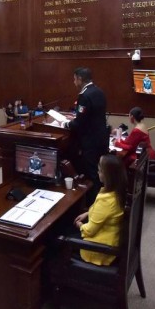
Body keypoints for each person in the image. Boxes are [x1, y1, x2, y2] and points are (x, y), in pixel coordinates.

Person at [64, 67, 108, 206]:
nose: (74, 82)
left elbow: (80, 123)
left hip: (90, 142)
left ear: (80, 79)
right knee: (100, 172)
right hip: (102, 138)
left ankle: (93, 205)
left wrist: (66, 124)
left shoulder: (84, 95)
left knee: (92, 173)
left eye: (74, 79)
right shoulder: (99, 91)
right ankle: (102, 200)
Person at [72, 154, 126, 266]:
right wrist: (88, 213)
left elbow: (89, 230)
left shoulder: (106, 200)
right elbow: (105, 212)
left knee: (59, 238)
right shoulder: (117, 191)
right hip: (111, 240)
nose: (97, 172)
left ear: (108, 176)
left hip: (99, 250)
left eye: (100, 171)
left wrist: (80, 225)